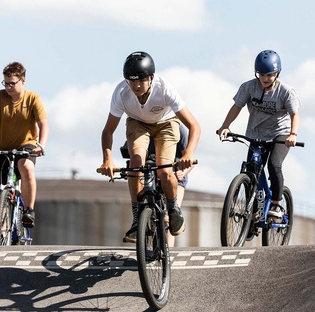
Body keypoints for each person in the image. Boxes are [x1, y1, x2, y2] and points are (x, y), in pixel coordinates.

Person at [99, 51, 200, 243]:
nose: (136, 85)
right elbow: (108, 131)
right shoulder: (121, 93)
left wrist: (188, 153)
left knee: (164, 169)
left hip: (166, 123)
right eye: (131, 81)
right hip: (137, 123)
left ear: (151, 78)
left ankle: (173, 208)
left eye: (141, 80)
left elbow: (194, 126)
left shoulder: (165, 90)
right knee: (135, 162)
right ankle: (137, 217)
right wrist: (107, 159)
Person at [217, 50, 301, 219]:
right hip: (256, 134)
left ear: (277, 73)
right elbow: (236, 107)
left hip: (280, 134)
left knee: (273, 165)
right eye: (261, 74)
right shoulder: (248, 87)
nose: (265, 79)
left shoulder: (286, 91)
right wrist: (225, 126)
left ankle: (277, 204)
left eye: (269, 75)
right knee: (252, 170)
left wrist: (293, 134)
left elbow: (294, 115)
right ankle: (254, 214)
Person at [0, 61, 49, 229]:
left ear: (22, 81)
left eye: (12, 83)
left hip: (26, 145)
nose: (8, 87)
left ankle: (28, 210)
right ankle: (6, 209)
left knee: (25, 167)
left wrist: (41, 145)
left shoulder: (33, 99)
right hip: (2, 147)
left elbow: (43, 124)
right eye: (6, 83)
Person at [120, 123, 193, 247]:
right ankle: (141, 221)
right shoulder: (139, 127)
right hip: (150, 173)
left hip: (173, 174)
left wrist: (182, 172)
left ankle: (168, 250)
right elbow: (133, 157)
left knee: (168, 218)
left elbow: (190, 160)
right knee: (140, 194)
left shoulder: (177, 128)